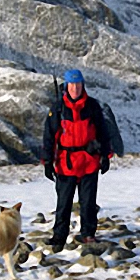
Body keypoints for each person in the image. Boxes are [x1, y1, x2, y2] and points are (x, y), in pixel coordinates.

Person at [41, 69, 111, 252]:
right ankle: (59, 236)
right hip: (66, 163)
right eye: (72, 85)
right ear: (66, 86)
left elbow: (103, 132)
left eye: (78, 84)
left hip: (89, 161)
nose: (75, 88)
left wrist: (106, 156)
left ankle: (88, 234)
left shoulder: (93, 106)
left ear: (83, 85)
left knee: (88, 201)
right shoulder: (57, 109)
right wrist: (47, 162)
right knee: (63, 202)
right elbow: (49, 136)